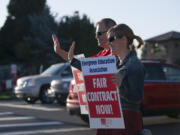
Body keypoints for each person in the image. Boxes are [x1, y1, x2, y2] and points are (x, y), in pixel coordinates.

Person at [98, 23, 144, 135]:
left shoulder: (135, 64)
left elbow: (137, 98)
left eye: (111, 39)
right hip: (112, 117)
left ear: (123, 39)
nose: (108, 43)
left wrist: (121, 87)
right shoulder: (115, 63)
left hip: (126, 119)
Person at [52, 18, 116, 70]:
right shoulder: (103, 53)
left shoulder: (117, 53)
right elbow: (82, 63)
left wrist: (73, 61)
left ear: (110, 32)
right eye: (96, 34)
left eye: (99, 33)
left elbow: (85, 67)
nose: (96, 37)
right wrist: (59, 51)